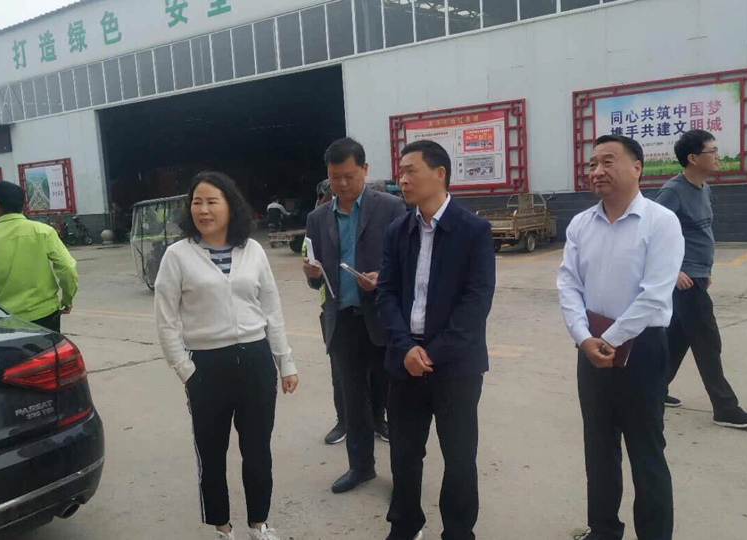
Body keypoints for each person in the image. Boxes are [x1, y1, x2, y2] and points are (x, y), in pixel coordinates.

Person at [154, 171, 299, 540]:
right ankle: (222, 527)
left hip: (255, 361)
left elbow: (272, 310)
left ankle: (258, 524)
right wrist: (185, 369)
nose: (203, 210)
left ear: (230, 206)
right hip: (206, 366)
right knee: (211, 453)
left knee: (257, 450)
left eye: (211, 201)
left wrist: (285, 362)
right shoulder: (177, 256)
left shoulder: (253, 251)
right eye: (197, 202)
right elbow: (166, 320)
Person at [558, 135, 684, 540]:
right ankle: (603, 530)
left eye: (608, 161)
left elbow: (655, 294)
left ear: (637, 167)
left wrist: (608, 338)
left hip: (642, 349)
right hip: (590, 349)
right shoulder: (581, 224)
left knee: (646, 452)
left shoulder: (661, 222)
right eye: (592, 163)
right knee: (598, 449)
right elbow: (568, 284)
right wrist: (583, 337)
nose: (597, 171)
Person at [377, 140, 496, 540]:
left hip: (456, 366)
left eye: (411, 171)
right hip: (404, 361)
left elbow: (476, 302)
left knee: (459, 456)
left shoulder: (473, 230)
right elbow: (386, 293)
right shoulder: (398, 230)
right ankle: (405, 525)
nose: (403, 180)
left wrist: (431, 353)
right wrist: (405, 347)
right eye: (401, 172)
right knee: (404, 453)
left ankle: (458, 531)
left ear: (440, 174)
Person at [303, 137, 406, 493]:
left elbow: (408, 263)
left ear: (365, 169)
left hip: (383, 317)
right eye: (335, 177)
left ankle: (404, 474)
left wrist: (382, 279)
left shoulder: (391, 208)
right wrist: (312, 273)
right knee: (353, 401)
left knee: (395, 399)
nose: (342, 184)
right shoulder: (317, 218)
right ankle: (361, 467)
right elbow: (314, 273)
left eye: (349, 175)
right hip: (342, 320)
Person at [655, 130, 747, 429]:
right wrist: (672, 272)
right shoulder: (672, 192)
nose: (718, 156)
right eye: (712, 151)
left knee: (678, 338)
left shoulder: (704, 188)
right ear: (693, 158)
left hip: (698, 274)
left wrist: (706, 269)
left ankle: (654, 389)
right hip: (684, 279)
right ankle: (725, 408)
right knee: (707, 341)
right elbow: (650, 234)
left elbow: (701, 233)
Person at [0, 182, 77, 333]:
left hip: (5, 319)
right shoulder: (43, 231)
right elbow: (67, 267)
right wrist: (67, 299)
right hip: (45, 313)